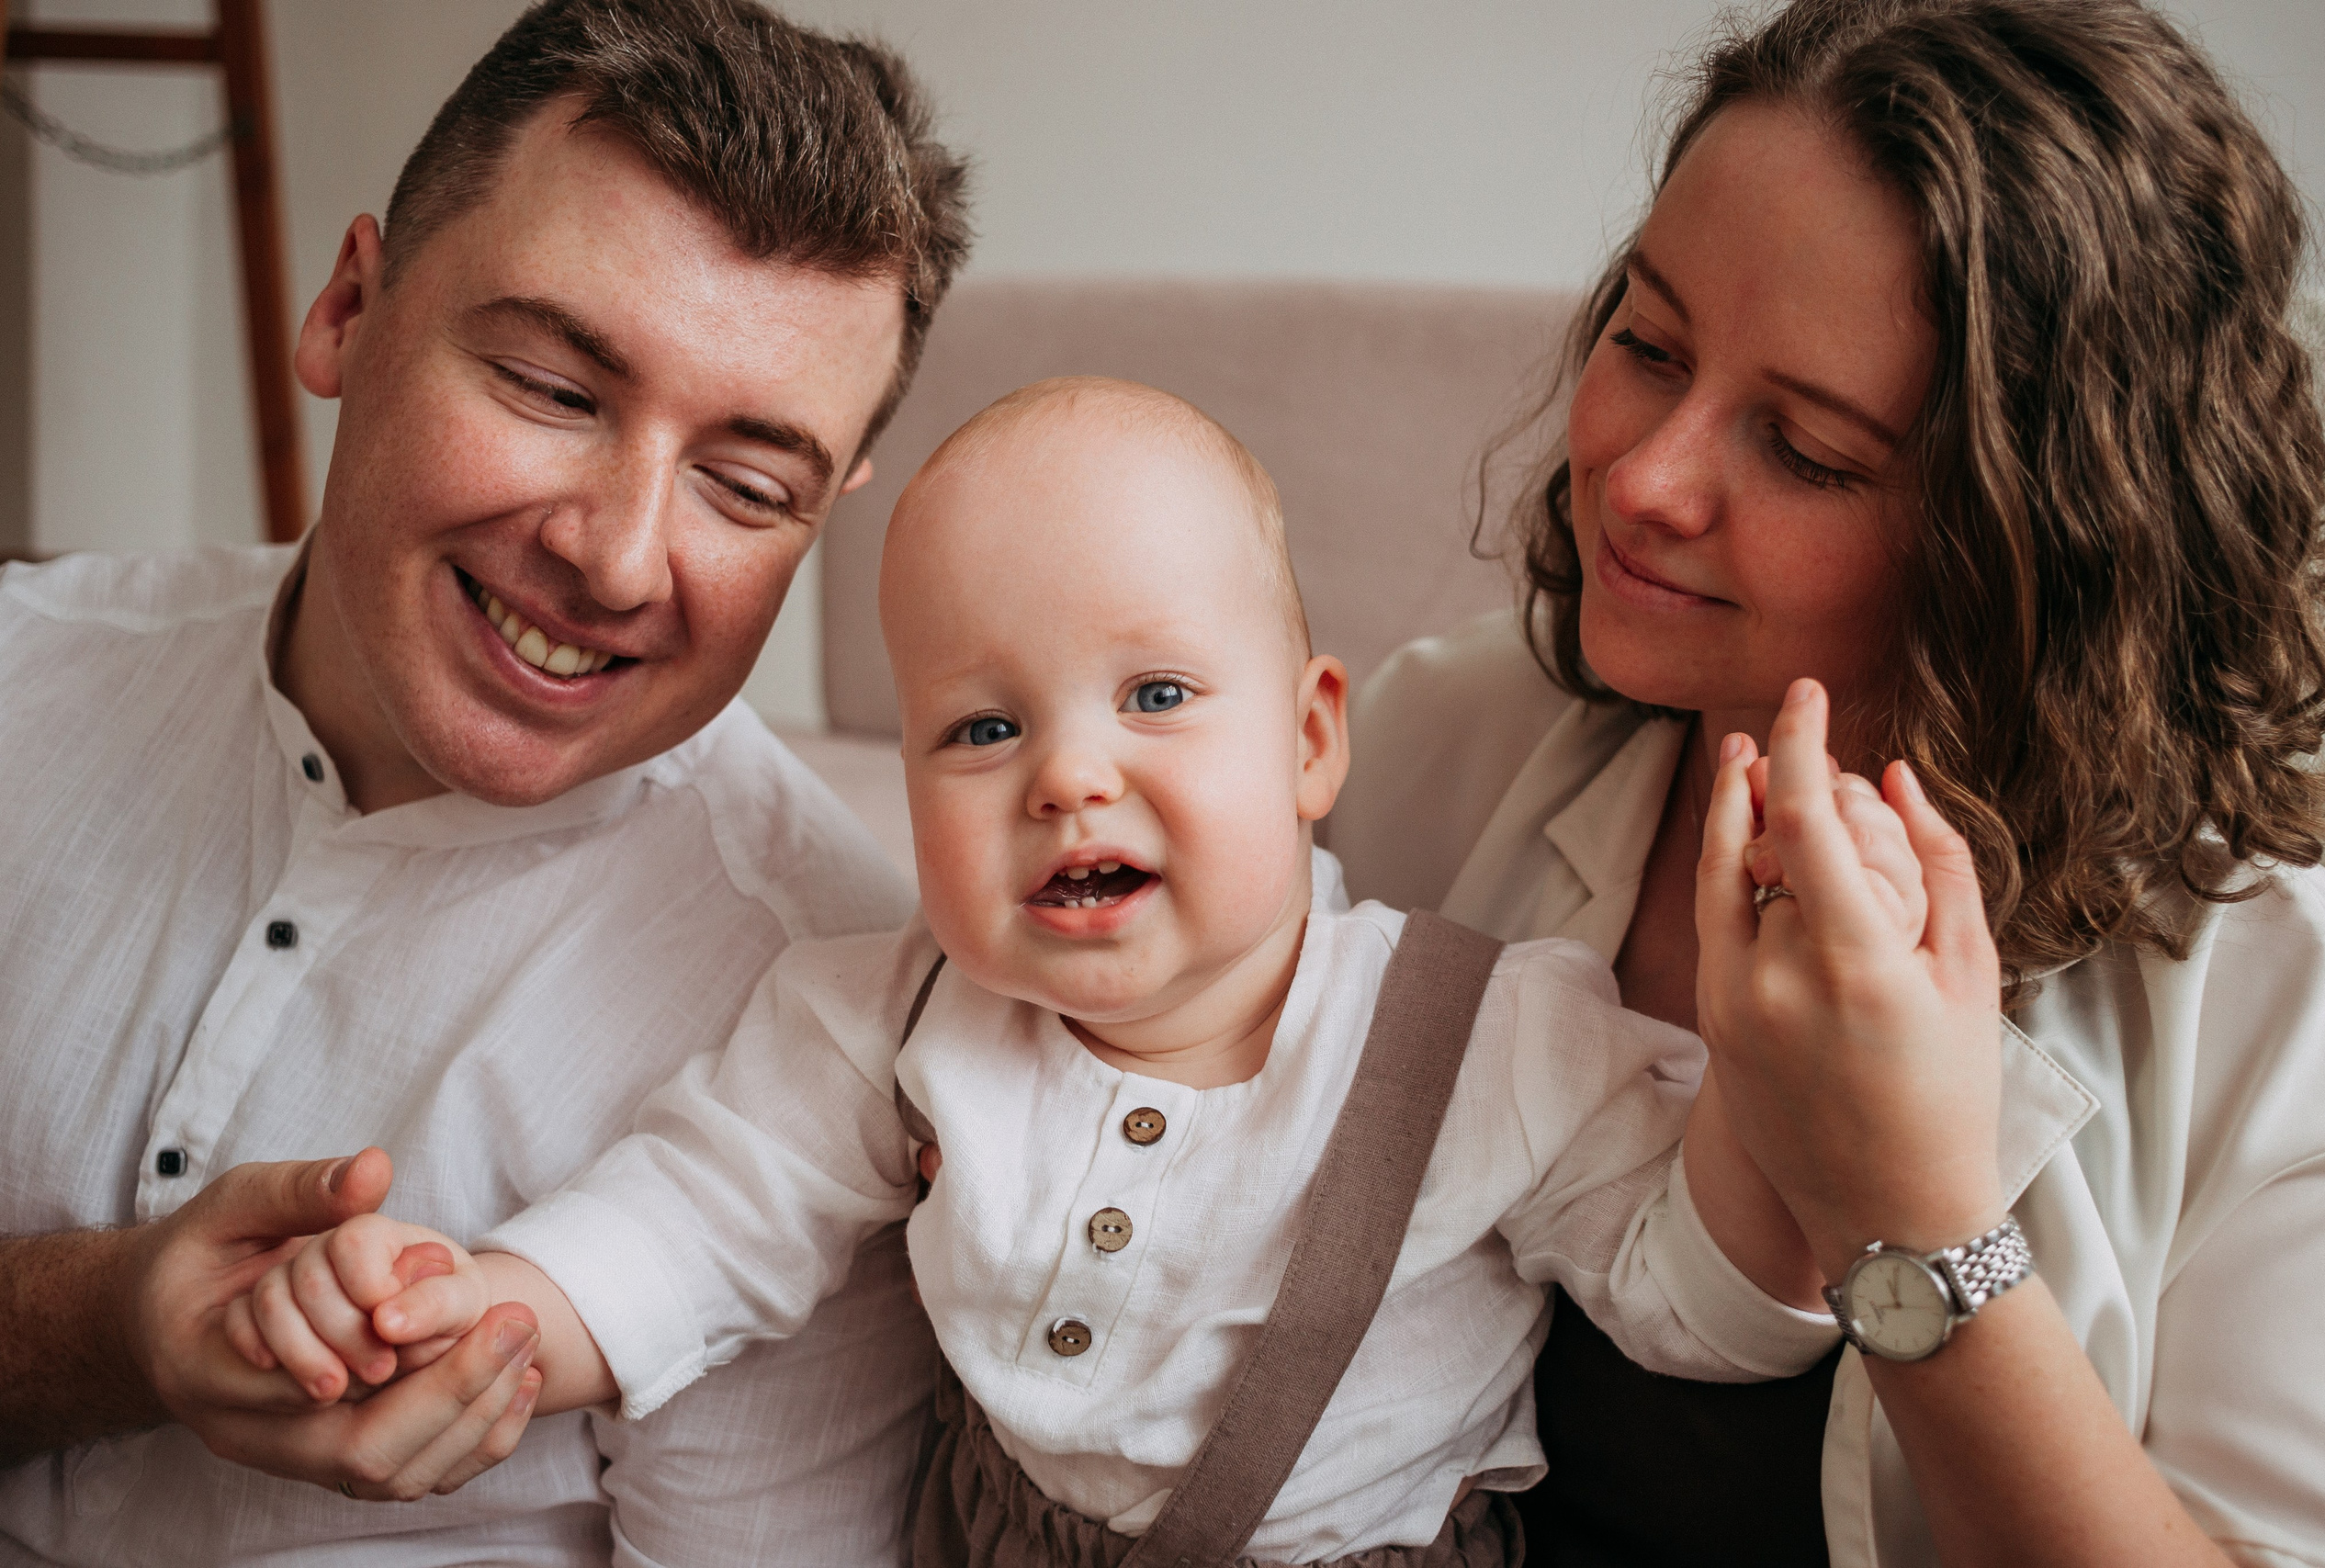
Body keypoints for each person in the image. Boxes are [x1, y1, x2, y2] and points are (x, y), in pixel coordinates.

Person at [203, 378, 1925, 1563]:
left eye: (1157, 697)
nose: (1069, 777)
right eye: (981, 728)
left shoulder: (1497, 1034)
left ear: (1311, 740)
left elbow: (1696, 1308)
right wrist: (483, 1311)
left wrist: (1772, 1084)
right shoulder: (891, 1014)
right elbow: (699, 1216)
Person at [1326, 1, 2325, 1565]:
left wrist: (1909, 1215)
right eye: (1648, 346)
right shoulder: (1430, 742)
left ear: (2036, 546)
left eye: (1806, 451)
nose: (1645, 480)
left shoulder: (2284, 1023)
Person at [0, 0, 971, 1562]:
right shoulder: (21, 672)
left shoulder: (851, 1049)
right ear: (348, 308)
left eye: (744, 485)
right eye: (553, 389)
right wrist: (108, 1325)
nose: (619, 558)